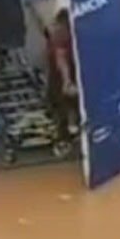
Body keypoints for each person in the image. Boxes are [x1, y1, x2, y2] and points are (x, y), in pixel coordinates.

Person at [46, 9, 79, 145]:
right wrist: (67, 81)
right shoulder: (62, 36)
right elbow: (61, 58)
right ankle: (67, 133)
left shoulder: (59, 35)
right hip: (61, 78)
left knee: (64, 105)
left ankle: (67, 133)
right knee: (65, 104)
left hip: (61, 77)